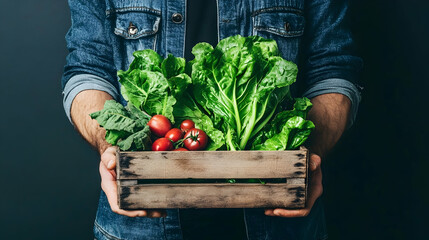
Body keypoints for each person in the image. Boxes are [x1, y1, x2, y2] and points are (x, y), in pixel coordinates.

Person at [62, 0, 362, 239]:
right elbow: (88, 70)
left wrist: (309, 153)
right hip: (140, 227)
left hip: (280, 223)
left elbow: (332, 70)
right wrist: (109, 148)